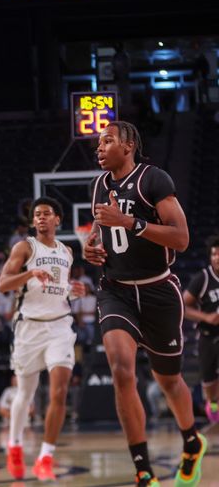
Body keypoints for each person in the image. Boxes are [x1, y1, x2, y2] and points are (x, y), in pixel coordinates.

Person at [84, 121, 206, 487]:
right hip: (116, 290)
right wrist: (91, 247)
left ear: (128, 145)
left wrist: (131, 222)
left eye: (107, 141)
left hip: (157, 290)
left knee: (168, 380)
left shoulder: (153, 180)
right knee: (121, 369)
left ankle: (191, 440)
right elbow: (99, 228)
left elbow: (181, 238)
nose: (99, 148)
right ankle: (144, 471)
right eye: (98, 143)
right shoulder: (99, 185)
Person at [0, 197, 85, 481]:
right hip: (29, 329)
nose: (41, 218)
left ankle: (45, 457)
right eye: (37, 215)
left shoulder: (67, 252)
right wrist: (29, 273)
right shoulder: (25, 247)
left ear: (58, 219)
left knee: (59, 390)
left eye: (47, 214)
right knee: (25, 394)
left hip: (60, 327)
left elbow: (57, 289)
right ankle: (15, 445)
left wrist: (73, 290)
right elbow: (2, 285)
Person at [183, 238, 219, 423]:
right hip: (208, 334)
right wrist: (206, 317)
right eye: (214, 254)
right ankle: (213, 401)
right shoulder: (203, 279)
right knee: (209, 380)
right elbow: (183, 307)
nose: (217, 257)